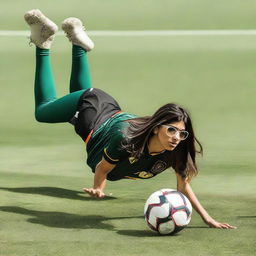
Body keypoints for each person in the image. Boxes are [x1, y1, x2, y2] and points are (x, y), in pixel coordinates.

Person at [24, 9, 236, 229]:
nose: (176, 137)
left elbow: (182, 187)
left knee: (78, 92)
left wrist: (208, 219)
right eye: (171, 130)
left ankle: (79, 46)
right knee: (43, 110)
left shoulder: (176, 152)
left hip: (107, 108)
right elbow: (102, 168)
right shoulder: (125, 139)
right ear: (156, 128)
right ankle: (43, 41)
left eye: (181, 133)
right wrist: (99, 187)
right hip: (93, 114)